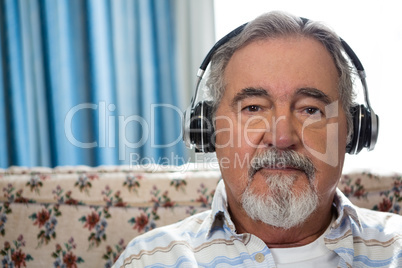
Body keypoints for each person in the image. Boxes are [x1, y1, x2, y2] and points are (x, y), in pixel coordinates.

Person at [113, 11, 402, 267]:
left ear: (354, 131)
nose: (281, 137)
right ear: (207, 129)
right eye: (253, 108)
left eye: (310, 110)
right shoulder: (150, 259)